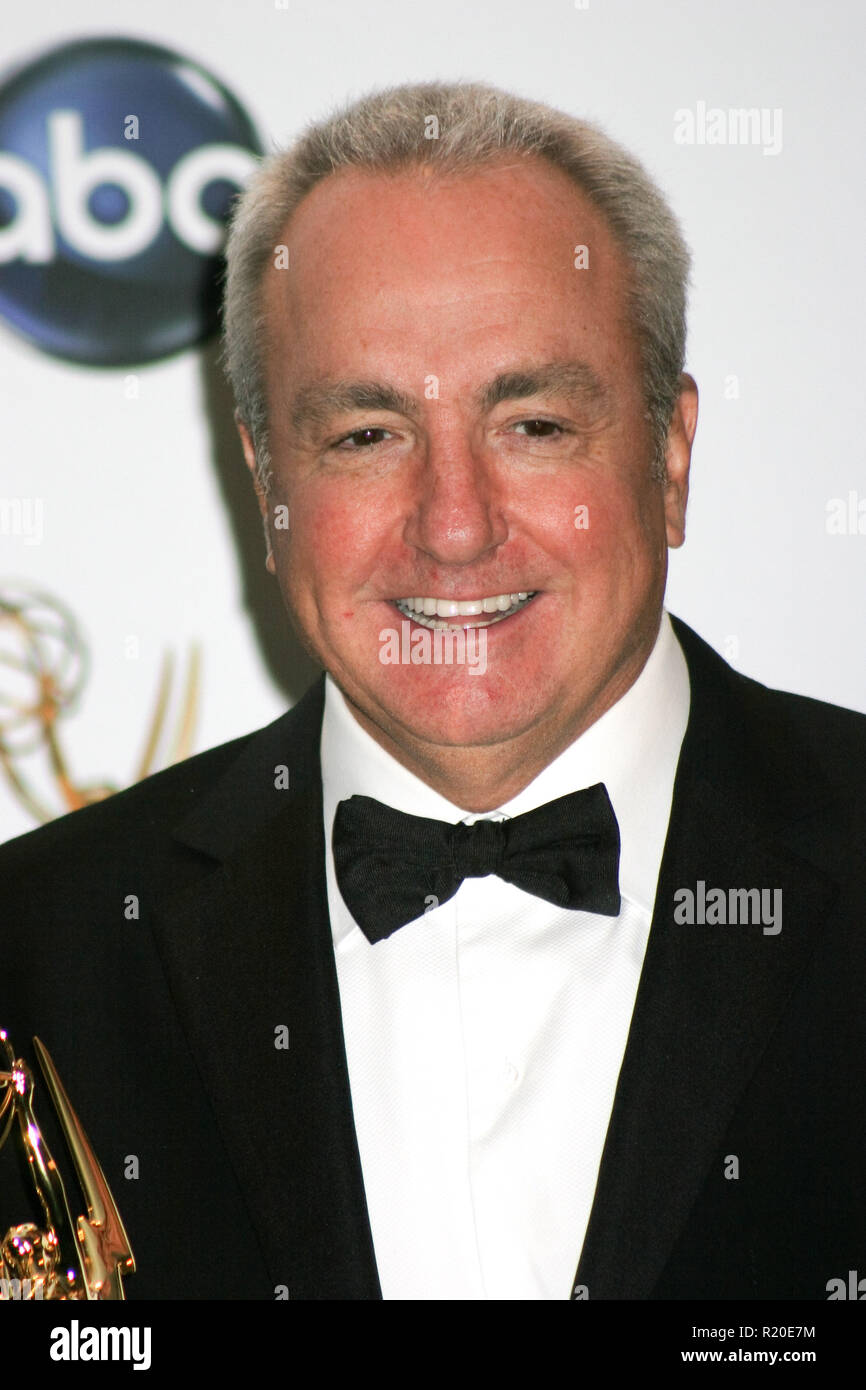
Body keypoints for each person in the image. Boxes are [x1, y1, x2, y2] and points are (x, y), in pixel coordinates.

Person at [1, 81, 864, 1301]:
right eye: (365, 434)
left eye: (534, 423)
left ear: (669, 458)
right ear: (266, 482)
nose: (452, 529)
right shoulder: (36, 954)